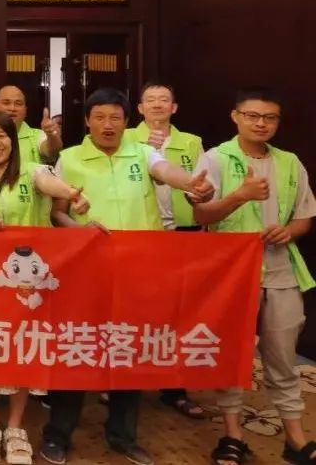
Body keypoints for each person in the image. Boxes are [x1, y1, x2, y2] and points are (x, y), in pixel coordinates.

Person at [41, 87, 214, 465]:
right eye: (100, 117)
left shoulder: (142, 152)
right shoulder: (69, 159)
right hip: (87, 272)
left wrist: (192, 183)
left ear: (126, 121)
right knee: (77, 350)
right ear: (87, 121)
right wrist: (80, 230)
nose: (108, 125)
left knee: (131, 351)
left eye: (115, 118)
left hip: (140, 272)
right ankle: (57, 434)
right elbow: (56, 213)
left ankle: (122, 435)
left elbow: (166, 171)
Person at [0, 111, 89, 465]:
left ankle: (15, 426)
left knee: (23, 351)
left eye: (1, 136)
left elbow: (51, 186)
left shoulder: (32, 172)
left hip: (30, 285)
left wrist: (71, 194)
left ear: (12, 140)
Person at [192, 88, 316, 465]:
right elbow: (201, 215)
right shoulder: (214, 159)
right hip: (231, 274)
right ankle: (233, 435)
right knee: (233, 355)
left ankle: (295, 439)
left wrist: (289, 231)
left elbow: (305, 217)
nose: (261, 123)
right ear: (236, 116)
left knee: (283, 355)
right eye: (252, 116)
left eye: (270, 117)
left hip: (280, 272)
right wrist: (241, 195)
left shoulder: (290, 162)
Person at [125, 82, 207, 419]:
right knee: (135, 310)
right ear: (140, 108)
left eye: (164, 100)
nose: (157, 105)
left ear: (174, 107)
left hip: (183, 232)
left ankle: (174, 387)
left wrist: (198, 193)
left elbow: (200, 182)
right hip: (142, 232)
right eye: (150, 100)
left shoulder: (192, 142)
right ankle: (124, 382)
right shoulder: (127, 139)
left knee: (178, 314)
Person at [0, 85, 63, 164]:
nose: (12, 108)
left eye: (18, 104)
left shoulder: (38, 136)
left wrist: (52, 136)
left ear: (25, 111)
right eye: (6, 103)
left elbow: (51, 151)